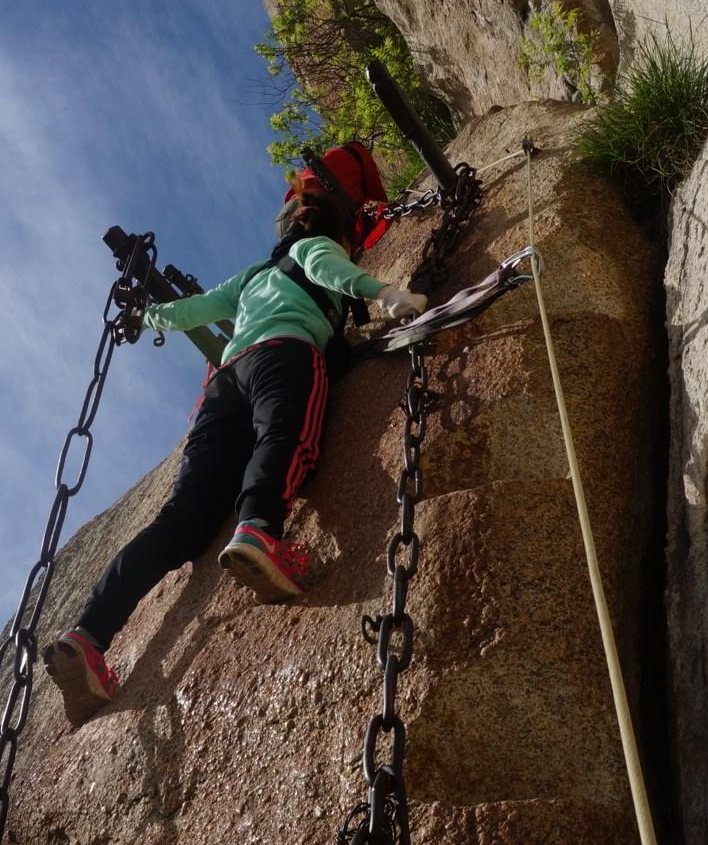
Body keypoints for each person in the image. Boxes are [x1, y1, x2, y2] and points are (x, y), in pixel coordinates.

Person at [43, 191, 426, 724]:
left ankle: (87, 636)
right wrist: (387, 292)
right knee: (288, 437)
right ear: (337, 233)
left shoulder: (252, 277)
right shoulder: (318, 248)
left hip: (224, 385)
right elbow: (336, 273)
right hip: (284, 355)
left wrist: (145, 316)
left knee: (179, 520)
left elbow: (192, 312)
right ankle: (259, 530)